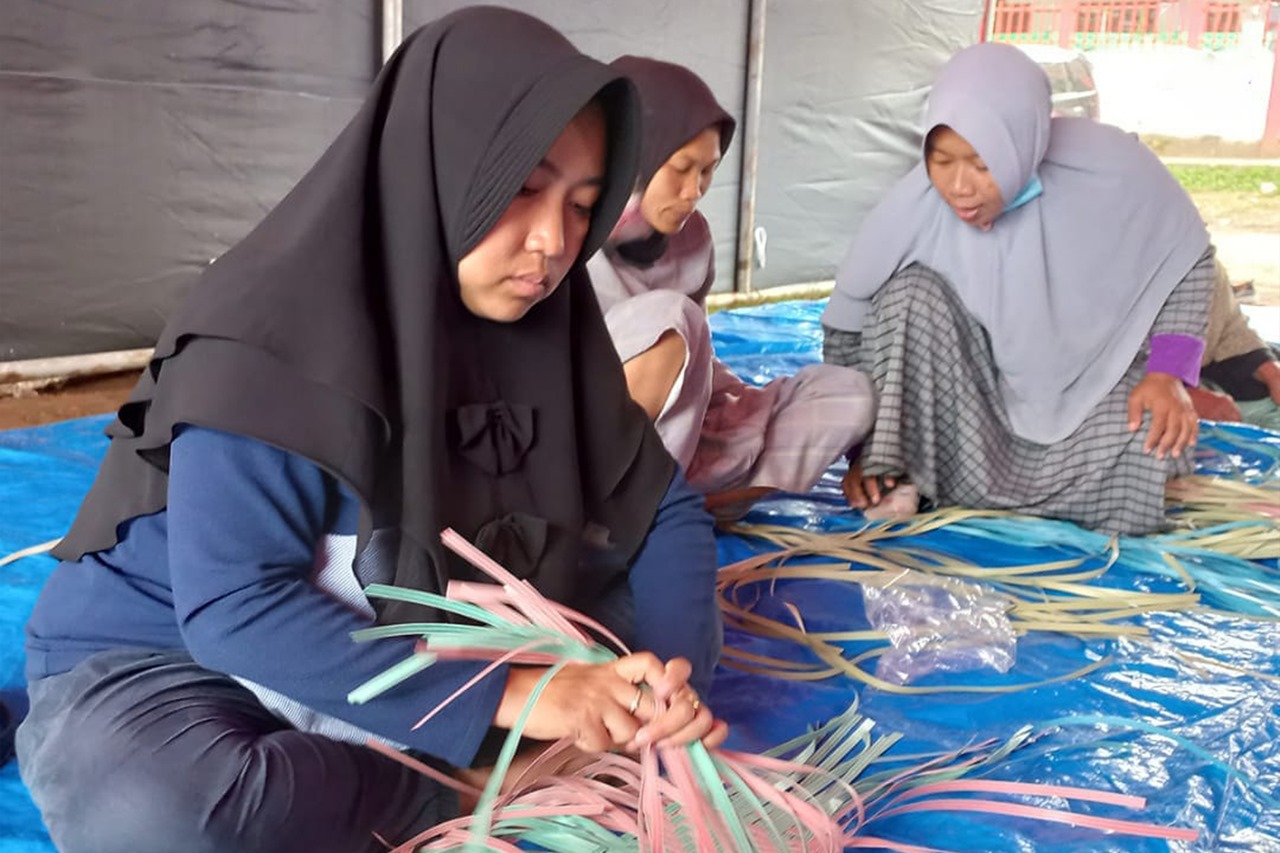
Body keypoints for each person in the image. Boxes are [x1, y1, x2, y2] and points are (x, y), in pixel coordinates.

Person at [16, 10, 726, 853]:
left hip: (408, 645)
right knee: (165, 812)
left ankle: (449, 765)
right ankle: (465, 785)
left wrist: (666, 691)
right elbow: (235, 605)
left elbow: (663, 510)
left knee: (616, 584)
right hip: (181, 659)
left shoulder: (548, 329)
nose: (552, 245)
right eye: (523, 188)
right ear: (438, 169)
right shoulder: (269, 335)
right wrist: (525, 697)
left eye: (582, 205)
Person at [822, 42, 1215, 535]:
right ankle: (905, 473)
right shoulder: (910, 213)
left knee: (1150, 437)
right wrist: (867, 449)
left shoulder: (1114, 171)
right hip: (973, 413)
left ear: (1026, 138)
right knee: (907, 299)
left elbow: (1187, 262)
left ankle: (967, 490)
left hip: (1090, 398)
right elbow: (845, 338)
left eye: (982, 164)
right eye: (942, 161)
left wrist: (1168, 375)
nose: (959, 186)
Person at [587, 56, 875, 519]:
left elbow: (698, 353)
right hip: (597, 446)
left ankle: (696, 501)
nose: (694, 190)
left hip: (682, 430)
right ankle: (638, 513)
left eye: (707, 171)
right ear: (634, 153)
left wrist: (729, 401)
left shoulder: (693, 239)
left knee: (848, 393)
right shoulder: (573, 235)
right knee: (670, 318)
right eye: (680, 168)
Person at [1187, 258, 1280, 431]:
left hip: (1203, 370)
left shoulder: (1201, 258)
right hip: (1139, 386)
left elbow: (1231, 327)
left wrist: (1271, 371)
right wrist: (1184, 395)